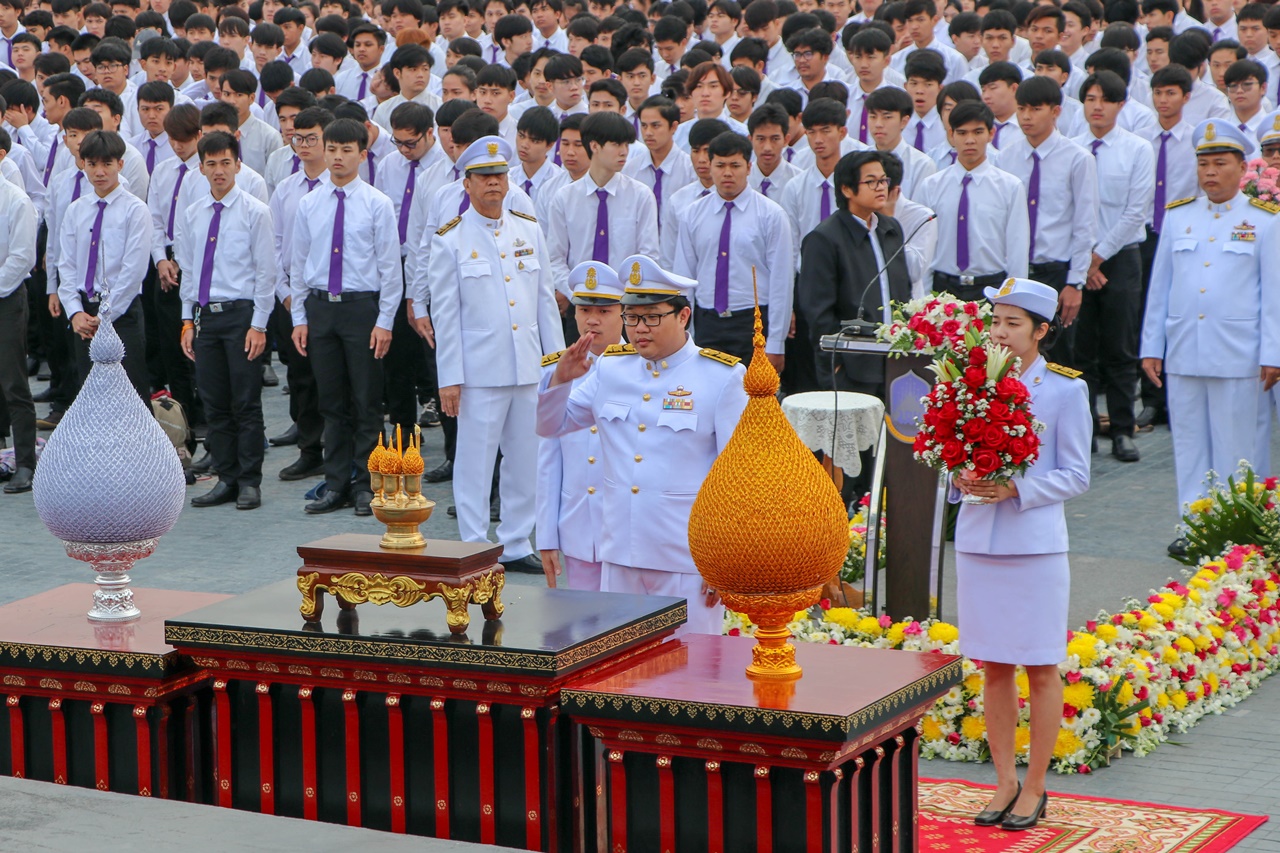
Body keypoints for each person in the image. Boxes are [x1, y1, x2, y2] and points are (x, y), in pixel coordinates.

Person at [536, 254, 749, 635]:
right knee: (619, 672)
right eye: (632, 318)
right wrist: (559, 383)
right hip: (619, 553)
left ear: (682, 317)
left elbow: (738, 473)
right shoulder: (611, 368)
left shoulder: (721, 376)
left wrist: (726, 560)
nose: (639, 329)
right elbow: (552, 426)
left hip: (685, 556)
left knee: (690, 673)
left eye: (652, 317)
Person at [952, 277, 1091, 833]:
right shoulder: (973, 380)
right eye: (994, 322)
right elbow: (951, 450)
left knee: (1038, 664)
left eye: (1013, 324)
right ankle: (1004, 780)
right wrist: (961, 476)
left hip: (1033, 544)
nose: (1000, 333)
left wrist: (1017, 489)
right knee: (993, 666)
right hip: (980, 540)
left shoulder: (1063, 390)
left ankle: (1035, 784)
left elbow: (1077, 474)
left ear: (1041, 330)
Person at [1141, 120, 1280, 557]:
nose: (1210, 173)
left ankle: (1241, 529)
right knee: (1189, 444)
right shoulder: (1179, 216)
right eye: (1204, 164)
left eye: (1221, 163)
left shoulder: (1263, 220)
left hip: (1240, 354)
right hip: (1185, 350)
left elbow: (1273, 293)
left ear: (1242, 168)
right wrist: (1151, 346)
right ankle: (1195, 526)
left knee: (1240, 447)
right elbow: (1160, 286)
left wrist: (1273, 352)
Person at [427, 135, 564, 573]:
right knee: (474, 460)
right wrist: (449, 377)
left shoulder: (529, 229)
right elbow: (446, 314)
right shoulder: (450, 239)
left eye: (500, 176)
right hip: (480, 370)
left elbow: (545, 303)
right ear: (466, 184)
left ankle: (516, 540)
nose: (494, 185)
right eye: (484, 177)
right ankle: (473, 543)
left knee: (525, 458)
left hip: (526, 366)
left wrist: (558, 366)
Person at [289, 117, 401, 516]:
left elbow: (390, 269)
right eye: (332, 149)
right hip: (322, 308)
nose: (337, 157)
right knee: (331, 401)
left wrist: (385, 321)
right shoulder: (309, 202)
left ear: (362, 154)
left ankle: (369, 484)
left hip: (361, 309)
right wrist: (299, 318)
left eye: (346, 150)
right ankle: (336, 483)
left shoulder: (377, 203)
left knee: (367, 401)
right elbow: (299, 263)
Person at [176, 130, 275, 510]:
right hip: (206, 318)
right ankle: (226, 477)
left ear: (238, 164)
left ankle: (250, 481)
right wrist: (187, 321)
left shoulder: (255, 211)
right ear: (201, 167)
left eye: (225, 163)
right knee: (214, 402)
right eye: (211, 163)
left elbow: (265, 272)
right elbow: (189, 269)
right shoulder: (193, 213)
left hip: (241, 316)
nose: (219, 171)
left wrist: (260, 324)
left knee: (245, 402)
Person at [1072, 70, 1153, 462]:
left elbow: (1135, 211)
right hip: (1079, 257)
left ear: (1121, 105)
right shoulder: (1072, 149)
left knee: (1120, 349)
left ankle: (1123, 430)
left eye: (1105, 99)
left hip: (1120, 258)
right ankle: (1084, 432)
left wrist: (1097, 257)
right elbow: (1068, 208)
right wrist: (1084, 261)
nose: (1097, 106)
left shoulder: (1137, 149)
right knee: (1080, 352)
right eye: (1089, 99)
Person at [993, 75, 1097, 365]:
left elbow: (1084, 223)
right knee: (1011, 360)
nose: (1026, 117)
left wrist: (1075, 282)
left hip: (1055, 271)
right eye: (1022, 108)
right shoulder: (1006, 157)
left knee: (1060, 359)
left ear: (1055, 112)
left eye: (1036, 109)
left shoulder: (1078, 158)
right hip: (1015, 273)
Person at [536, 260, 625, 591]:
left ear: (623, 314)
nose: (592, 319)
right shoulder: (557, 372)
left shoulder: (641, 370)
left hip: (629, 531)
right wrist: (547, 535)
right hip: (579, 527)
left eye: (604, 311)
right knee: (583, 632)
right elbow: (548, 459)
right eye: (584, 309)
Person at [674, 130, 793, 367]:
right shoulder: (692, 215)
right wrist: (681, 333)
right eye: (720, 165)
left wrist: (776, 343)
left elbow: (782, 281)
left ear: (749, 167)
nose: (727, 173)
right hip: (707, 321)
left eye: (735, 165)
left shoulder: (771, 215)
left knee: (752, 400)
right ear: (710, 166)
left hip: (753, 322)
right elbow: (683, 277)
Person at [797, 150, 912, 394]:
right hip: (853, 366)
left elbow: (903, 292)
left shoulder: (891, 229)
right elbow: (817, 313)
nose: (881, 187)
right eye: (871, 182)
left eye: (883, 180)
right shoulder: (824, 239)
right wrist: (835, 365)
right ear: (847, 190)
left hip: (898, 361)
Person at [56, 129, 153, 403]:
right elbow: (67, 266)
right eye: (92, 164)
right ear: (83, 164)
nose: (99, 172)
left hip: (121, 315)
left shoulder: (135, 209)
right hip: (85, 317)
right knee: (91, 400)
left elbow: (133, 272)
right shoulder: (77, 209)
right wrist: (75, 312)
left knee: (131, 398)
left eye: (107, 164)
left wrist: (106, 316)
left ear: (120, 165)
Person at [269, 105, 332, 482]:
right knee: (301, 376)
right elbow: (275, 245)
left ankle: (342, 453)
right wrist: (285, 292)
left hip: (326, 293)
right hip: (292, 295)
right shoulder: (286, 189)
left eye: (312, 138)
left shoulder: (337, 186)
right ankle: (310, 450)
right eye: (297, 137)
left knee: (334, 377)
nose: (304, 145)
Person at [916, 100, 1029, 300]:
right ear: (951, 135)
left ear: (991, 134)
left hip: (991, 287)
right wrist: (923, 297)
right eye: (962, 133)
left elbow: (1017, 249)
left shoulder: (1010, 187)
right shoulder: (931, 186)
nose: (970, 140)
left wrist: (1013, 300)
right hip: (943, 287)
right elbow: (924, 247)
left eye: (977, 132)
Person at [0, 147, 38, 494]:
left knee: (13, 383)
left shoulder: (15, 200)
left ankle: (25, 462)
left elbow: (22, 256)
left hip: (6, 297)